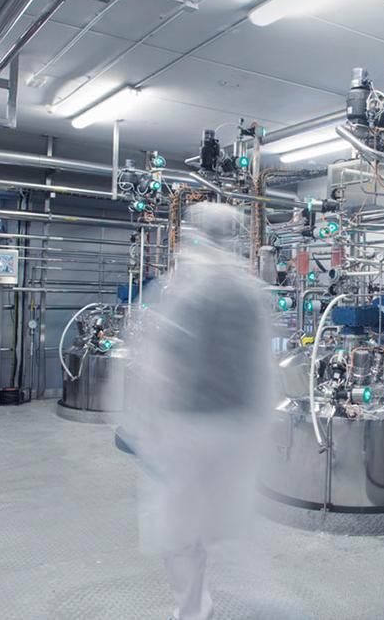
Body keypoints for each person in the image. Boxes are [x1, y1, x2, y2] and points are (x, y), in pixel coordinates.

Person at [121, 202, 277, 620]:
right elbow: (264, 363)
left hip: (186, 427)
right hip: (236, 425)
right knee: (220, 519)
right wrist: (262, 421)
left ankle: (192, 610)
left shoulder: (184, 286)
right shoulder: (250, 291)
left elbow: (160, 363)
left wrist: (139, 421)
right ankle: (227, 597)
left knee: (177, 527)